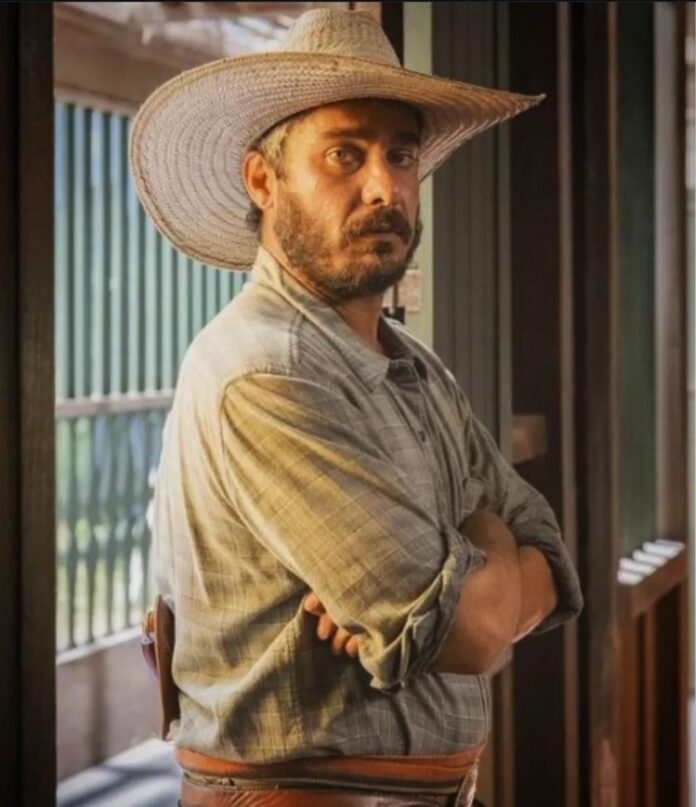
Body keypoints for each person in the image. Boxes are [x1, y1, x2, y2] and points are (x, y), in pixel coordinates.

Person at [130, 8, 583, 807]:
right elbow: (475, 632)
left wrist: (475, 557)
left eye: (400, 155)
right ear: (263, 181)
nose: (384, 186)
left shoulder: (418, 368)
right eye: (345, 154)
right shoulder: (263, 370)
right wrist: (490, 547)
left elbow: (550, 557)